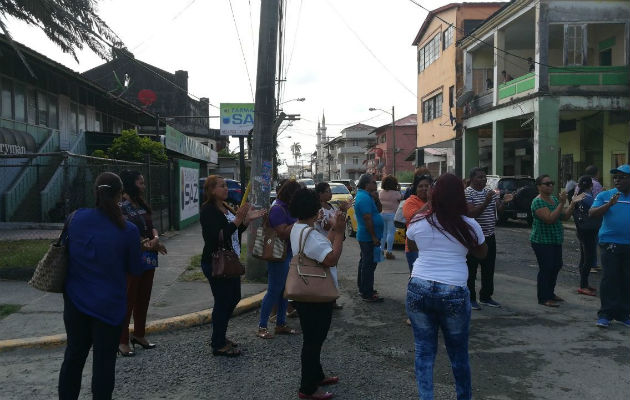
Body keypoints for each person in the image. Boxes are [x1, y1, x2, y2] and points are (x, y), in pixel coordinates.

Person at [59, 172, 143, 399]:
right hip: (110, 307)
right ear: (119, 194)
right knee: (104, 364)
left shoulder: (75, 218)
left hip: (75, 302)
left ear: (96, 192)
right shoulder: (129, 230)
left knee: (74, 357)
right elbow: (135, 269)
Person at [405, 173, 487, 400]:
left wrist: (429, 205)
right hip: (453, 290)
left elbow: (411, 244)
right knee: (458, 353)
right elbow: (482, 253)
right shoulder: (469, 225)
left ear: (435, 194)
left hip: (419, 287)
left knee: (424, 351)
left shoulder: (421, 221)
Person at [289, 188, 346, 400]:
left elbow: (322, 244)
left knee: (313, 338)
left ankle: (317, 375)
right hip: (316, 294)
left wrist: (333, 229)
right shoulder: (310, 234)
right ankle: (307, 388)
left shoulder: (300, 228)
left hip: (304, 291)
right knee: (314, 340)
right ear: (314, 209)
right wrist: (339, 232)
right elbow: (330, 258)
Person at [200, 175, 264, 356]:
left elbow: (233, 233)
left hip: (231, 260)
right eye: (221, 186)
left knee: (233, 298)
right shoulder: (208, 210)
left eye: (226, 186)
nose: (226, 189)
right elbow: (216, 236)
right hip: (216, 262)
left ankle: (220, 335)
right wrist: (237, 221)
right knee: (222, 302)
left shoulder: (226, 207)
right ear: (212, 190)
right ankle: (218, 343)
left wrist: (246, 221)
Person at [118, 170, 167, 357]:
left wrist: (155, 238)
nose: (143, 186)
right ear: (130, 184)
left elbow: (151, 225)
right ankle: (122, 340)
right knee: (128, 299)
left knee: (143, 298)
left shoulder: (141, 204)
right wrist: (147, 244)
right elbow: (125, 231)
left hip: (149, 257)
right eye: (140, 183)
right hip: (132, 258)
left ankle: (139, 335)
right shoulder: (121, 207)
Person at [530, 175, 584, 307]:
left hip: (555, 240)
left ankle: (550, 293)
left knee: (556, 267)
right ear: (539, 186)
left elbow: (564, 217)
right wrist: (561, 203)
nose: (550, 186)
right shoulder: (538, 201)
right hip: (542, 241)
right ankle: (543, 297)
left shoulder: (554, 199)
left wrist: (572, 203)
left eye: (551, 183)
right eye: (546, 183)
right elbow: (549, 219)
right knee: (546, 268)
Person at [257, 179, 301, 339]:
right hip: (277, 255)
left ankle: (281, 324)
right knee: (274, 290)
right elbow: (282, 232)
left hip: (287, 253)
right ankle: (262, 326)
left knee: (284, 291)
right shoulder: (277, 209)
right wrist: (299, 222)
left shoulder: (286, 208)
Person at [465, 168, 513, 310]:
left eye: (484, 177)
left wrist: (504, 202)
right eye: (480, 177)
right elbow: (471, 213)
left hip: (490, 236)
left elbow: (498, 209)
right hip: (474, 238)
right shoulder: (467, 193)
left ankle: (486, 297)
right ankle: (470, 298)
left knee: (488, 268)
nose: (483, 180)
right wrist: (486, 202)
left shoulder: (489, 192)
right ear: (472, 178)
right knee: (471, 269)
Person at [589, 165, 630, 328]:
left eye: (622, 177)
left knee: (626, 280)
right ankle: (605, 314)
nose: (617, 180)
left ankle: (624, 314)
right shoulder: (605, 195)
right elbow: (592, 213)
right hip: (610, 243)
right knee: (610, 278)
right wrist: (609, 205)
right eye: (615, 177)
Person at [315, 182, 351, 310]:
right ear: (320, 194)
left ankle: (332, 299)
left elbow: (340, 221)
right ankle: (326, 298)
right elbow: (325, 226)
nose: (330, 193)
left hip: (334, 242)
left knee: (333, 271)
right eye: (327, 191)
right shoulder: (318, 209)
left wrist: (343, 211)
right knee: (326, 271)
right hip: (324, 242)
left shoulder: (331, 206)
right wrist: (335, 222)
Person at [355, 174, 384, 302]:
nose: (375, 184)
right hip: (368, 237)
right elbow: (367, 219)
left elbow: (377, 210)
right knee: (369, 265)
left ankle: (364, 288)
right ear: (367, 184)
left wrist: (376, 197)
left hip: (368, 237)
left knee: (365, 263)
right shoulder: (364, 198)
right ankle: (367, 292)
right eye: (373, 182)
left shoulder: (366, 196)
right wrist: (373, 237)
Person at [572, 176, 601, 296]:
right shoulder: (588, 198)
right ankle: (583, 285)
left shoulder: (577, 197)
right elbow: (597, 209)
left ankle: (584, 283)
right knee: (589, 258)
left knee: (584, 257)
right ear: (591, 186)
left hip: (581, 229)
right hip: (589, 230)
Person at [402, 174, 432, 272]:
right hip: (414, 247)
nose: (424, 188)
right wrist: (430, 202)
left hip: (432, 248)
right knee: (417, 278)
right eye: (420, 186)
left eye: (427, 186)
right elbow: (413, 218)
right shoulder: (410, 202)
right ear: (416, 188)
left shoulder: (436, 202)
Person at [379, 175, 402, 260]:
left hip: (382, 214)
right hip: (392, 215)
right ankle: (389, 252)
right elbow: (401, 199)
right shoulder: (396, 193)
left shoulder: (381, 193)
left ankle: (381, 250)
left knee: (383, 234)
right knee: (390, 233)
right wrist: (398, 189)